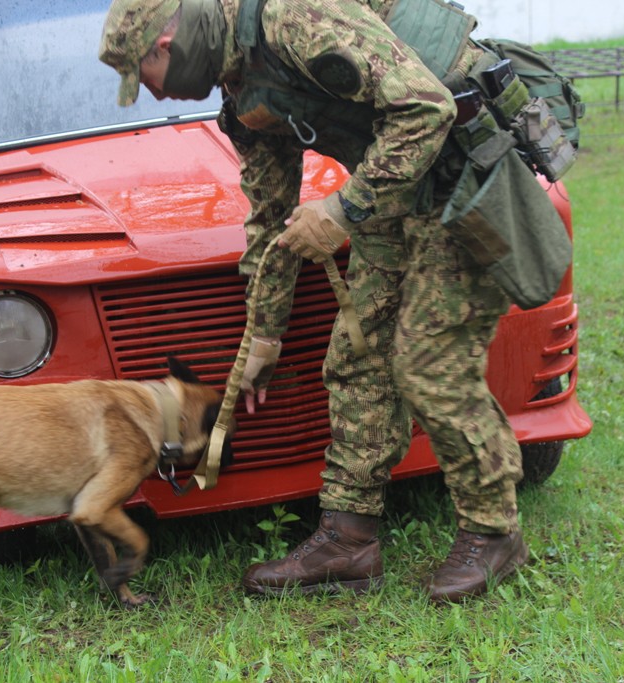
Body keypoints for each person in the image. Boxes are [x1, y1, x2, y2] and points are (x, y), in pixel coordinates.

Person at [99, 0, 529, 602]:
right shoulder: (241, 86)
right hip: (393, 192)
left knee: (429, 364)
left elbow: (427, 107)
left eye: (144, 78)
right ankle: (348, 541)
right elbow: (269, 215)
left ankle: (493, 532)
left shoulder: (292, 17)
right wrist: (264, 332)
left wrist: (341, 210)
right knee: (357, 356)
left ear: (165, 45)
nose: (153, 94)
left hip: (463, 177)